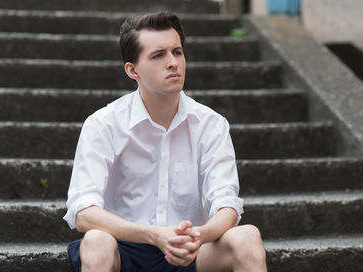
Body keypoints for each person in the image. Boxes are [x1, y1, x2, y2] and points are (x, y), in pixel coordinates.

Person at [63, 10, 267, 272]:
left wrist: (197, 237)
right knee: (96, 240)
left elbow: (227, 205)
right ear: (132, 70)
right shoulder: (103, 124)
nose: (173, 62)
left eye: (177, 52)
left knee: (246, 236)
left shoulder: (210, 124)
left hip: (191, 250)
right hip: (126, 250)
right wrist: (153, 235)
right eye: (158, 55)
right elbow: (83, 212)